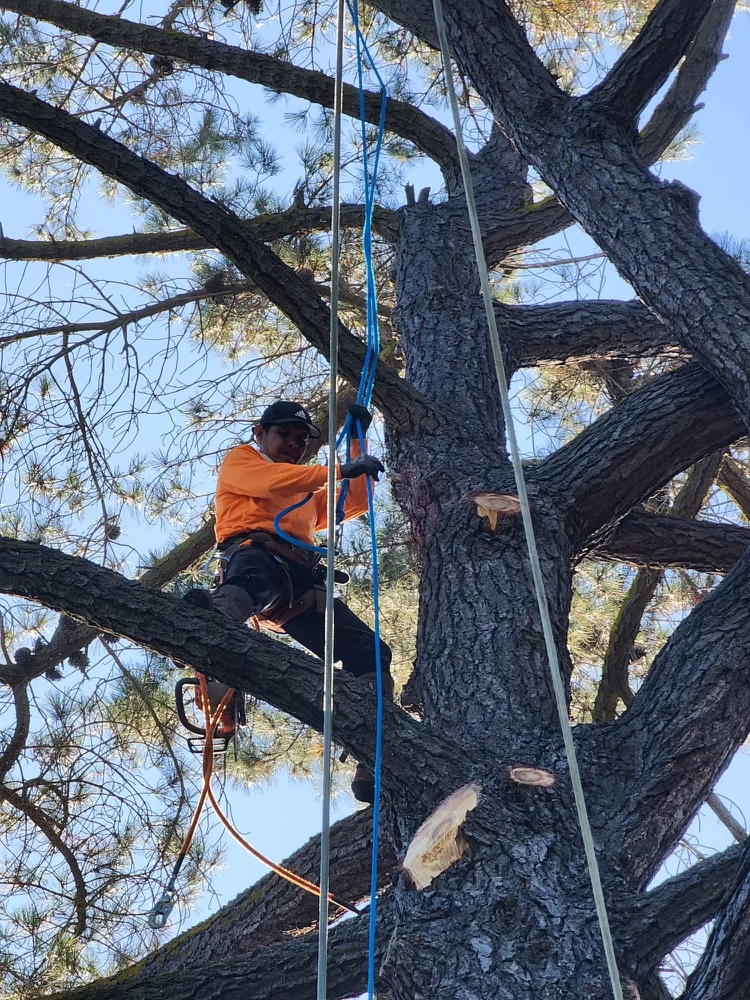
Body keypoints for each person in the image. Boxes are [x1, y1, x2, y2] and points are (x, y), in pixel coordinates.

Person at [197, 400, 392, 804]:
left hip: (300, 582)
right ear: (260, 433)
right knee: (256, 580)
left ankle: (370, 752)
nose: (293, 444)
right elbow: (271, 484)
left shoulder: (305, 492)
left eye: (300, 440)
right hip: (253, 553)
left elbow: (356, 499)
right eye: (283, 435)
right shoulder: (242, 460)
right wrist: (336, 470)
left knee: (370, 653)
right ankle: (212, 629)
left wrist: (356, 441)